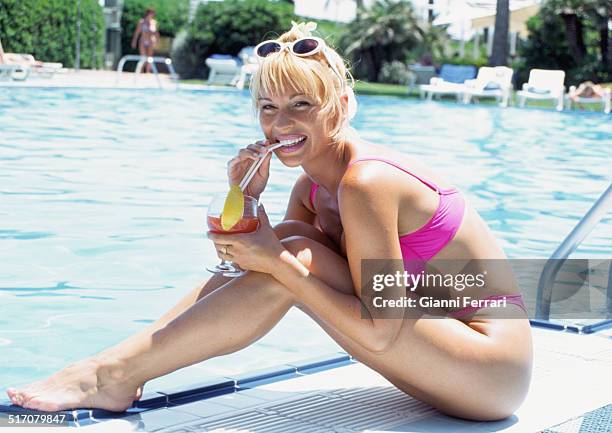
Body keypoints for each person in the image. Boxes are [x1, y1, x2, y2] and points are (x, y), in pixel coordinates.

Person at [7, 22, 533, 421]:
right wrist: (247, 201)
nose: (280, 122)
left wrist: (277, 261)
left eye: (302, 103)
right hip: (439, 343)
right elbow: (255, 270)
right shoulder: (311, 186)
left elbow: (376, 330)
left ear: (340, 105)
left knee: (290, 254)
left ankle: (112, 374)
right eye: (267, 106)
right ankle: (116, 368)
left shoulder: (366, 183)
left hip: (489, 371)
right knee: (290, 239)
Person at [130, 8, 160, 73]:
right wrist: (134, 41)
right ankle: (140, 72)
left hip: (151, 41)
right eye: (150, 13)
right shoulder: (141, 22)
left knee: (149, 58)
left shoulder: (154, 22)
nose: (151, 15)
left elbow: (156, 33)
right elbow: (137, 33)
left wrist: (157, 41)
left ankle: (147, 72)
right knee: (143, 58)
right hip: (143, 41)